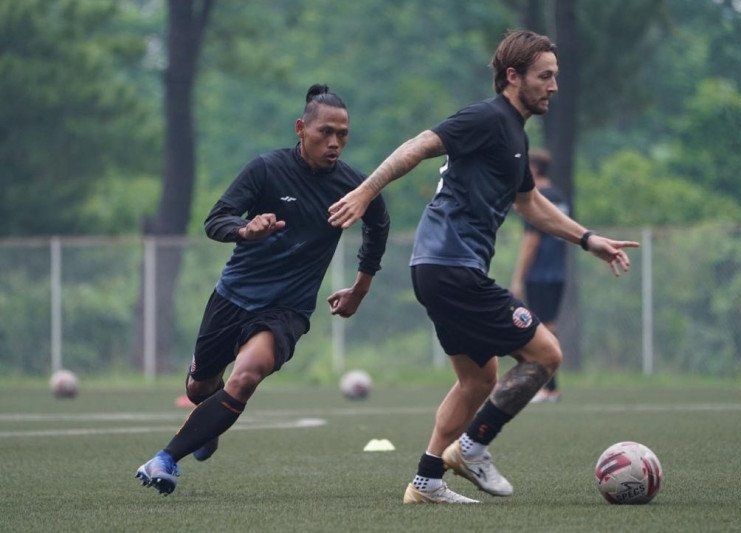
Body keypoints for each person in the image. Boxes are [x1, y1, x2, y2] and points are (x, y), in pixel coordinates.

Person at [328, 30, 638, 504]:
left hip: (441, 267)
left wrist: (588, 239)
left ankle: (427, 481)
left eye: (556, 76)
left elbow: (529, 203)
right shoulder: (487, 118)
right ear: (513, 77)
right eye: (545, 76)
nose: (554, 86)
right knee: (546, 356)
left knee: (478, 380)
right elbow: (418, 144)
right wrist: (368, 190)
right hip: (451, 267)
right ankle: (471, 449)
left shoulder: (514, 133)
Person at [135, 84, 390, 495]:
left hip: (287, 310)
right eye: (325, 132)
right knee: (199, 388)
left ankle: (166, 459)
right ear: (300, 128)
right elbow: (216, 219)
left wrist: (360, 288)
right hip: (233, 295)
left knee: (247, 374)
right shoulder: (266, 170)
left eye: (343, 134)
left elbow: (378, 225)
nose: (335, 142)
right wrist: (245, 229)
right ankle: (208, 422)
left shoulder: (352, 185)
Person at [510, 149, 567, 403]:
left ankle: (547, 388)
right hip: (558, 271)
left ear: (533, 170)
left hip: (540, 272)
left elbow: (531, 240)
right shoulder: (559, 196)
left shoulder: (536, 197)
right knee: (550, 325)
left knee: (538, 329)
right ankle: (551, 387)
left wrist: (519, 277)